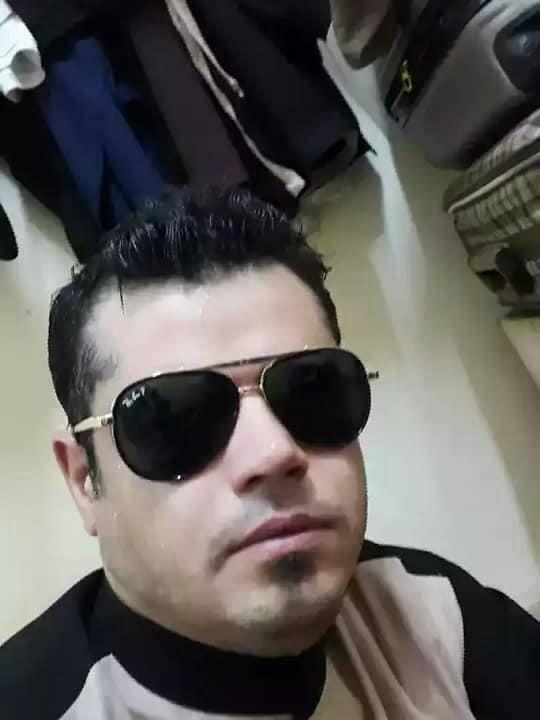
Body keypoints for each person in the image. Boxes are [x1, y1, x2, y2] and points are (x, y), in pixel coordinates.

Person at [1, 188, 539, 720]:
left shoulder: (433, 610)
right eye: (174, 418)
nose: (274, 453)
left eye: (312, 389)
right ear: (84, 480)